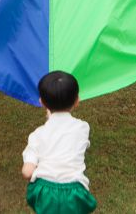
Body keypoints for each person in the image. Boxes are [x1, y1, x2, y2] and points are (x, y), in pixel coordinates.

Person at [21, 71, 97, 214]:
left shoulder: (36, 136)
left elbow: (27, 172)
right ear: (77, 100)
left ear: (42, 102)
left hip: (44, 191)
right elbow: (61, 128)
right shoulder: (82, 128)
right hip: (74, 191)